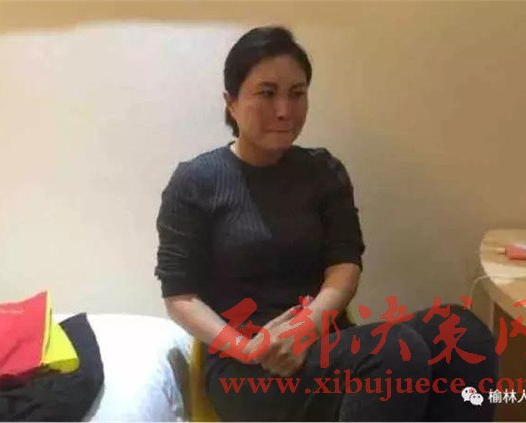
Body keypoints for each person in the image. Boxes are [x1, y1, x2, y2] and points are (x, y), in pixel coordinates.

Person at [155, 26, 497, 421]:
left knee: (460, 331)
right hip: (247, 368)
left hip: (327, 341)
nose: (284, 110)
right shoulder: (196, 182)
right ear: (231, 102)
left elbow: (345, 264)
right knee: (390, 352)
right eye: (267, 93)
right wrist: (248, 348)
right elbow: (180, 296)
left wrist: (308, 327)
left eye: (297, 93)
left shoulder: (322, 171)